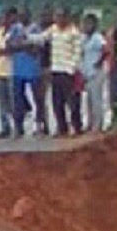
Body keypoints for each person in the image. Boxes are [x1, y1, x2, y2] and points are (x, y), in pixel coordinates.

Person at [39, 8, 83, 137]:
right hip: (56, 70)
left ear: (66, 17)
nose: (57, 19)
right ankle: (61, 127)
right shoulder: (53, 29)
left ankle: (76, 127)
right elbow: (41, 38)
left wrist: (72, 68)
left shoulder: (74, 32)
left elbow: (78, 52)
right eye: (56, 16)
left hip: (68, 71)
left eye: (60, 16)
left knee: (73, 101)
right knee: (57, 102)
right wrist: (25, 38)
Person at [6, 8, 42, 138]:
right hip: (17, 69)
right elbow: (8, 46)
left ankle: (39, 125)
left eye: (24, 16)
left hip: (33, 69)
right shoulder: (15, 28)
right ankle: (18, 127)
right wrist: (25, 46)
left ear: (29, 16)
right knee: (17, 100)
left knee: (38, 98)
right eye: (20, 16)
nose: (21, 18)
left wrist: (20, 46)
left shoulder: (35, 29)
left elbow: (37, 48)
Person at [80, 13, 107, 133]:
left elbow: (106, 50)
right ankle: (90, 123)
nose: (85, 26)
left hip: (96, 72)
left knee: (97, 100)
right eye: (84, 23)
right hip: (87, 73)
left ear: (94, 25)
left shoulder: (97, 37)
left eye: (88, 24)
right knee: (88, 101)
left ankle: (98, 125)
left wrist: (98, 62)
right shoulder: (85, 38)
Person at [0, 11, 14, 138]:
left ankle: (16, 126)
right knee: (2, 102)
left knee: (13, 102)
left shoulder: (14, 33)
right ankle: (5, 127)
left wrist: (1, 51)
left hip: (11, 71)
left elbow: (13, 50)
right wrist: (4, 51)